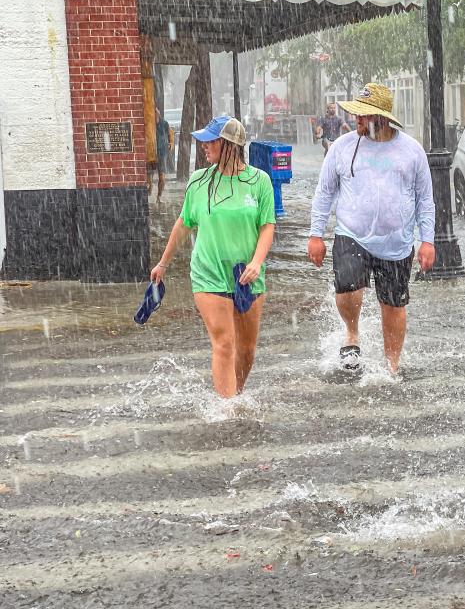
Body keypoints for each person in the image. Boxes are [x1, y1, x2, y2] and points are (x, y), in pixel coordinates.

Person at [307, 83, 435, 375]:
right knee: (348, 287)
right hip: (352, 234)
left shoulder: (412, 152)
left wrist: (427, 240)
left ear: (382, 118)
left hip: (397, 242)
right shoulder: (342, 147)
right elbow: (324, 192)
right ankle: (351, 334)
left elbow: (425, 199)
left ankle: (391, 366)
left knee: (393, 305)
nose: (357, 120)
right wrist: (316, 235)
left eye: (364, 115)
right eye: (357, 114)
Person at [150, 116, 276, 398]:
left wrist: (257, 262)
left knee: (246, 348)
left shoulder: (259, 182)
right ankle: (227, 407)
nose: (204, 146)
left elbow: (267, 226)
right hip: (208, 273)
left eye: (210, 141)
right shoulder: (199, 181)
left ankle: (236, 392)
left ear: (230, 145)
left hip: (247, 275)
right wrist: (163, 262)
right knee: (224, 342)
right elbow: (184, 223)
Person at [148, 108, 170, 204]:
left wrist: (170, 143)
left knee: (162, 177)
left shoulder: (164, 124)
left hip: (162, 153)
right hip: (150, 153)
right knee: (149, 176)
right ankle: (150, 187)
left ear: (158, 114)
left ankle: (159, 197)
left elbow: (169, 135)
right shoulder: (149, 124)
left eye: (156, 114)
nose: (155, 116)